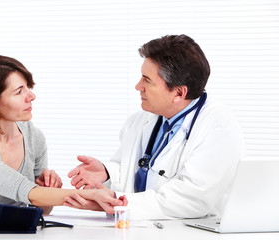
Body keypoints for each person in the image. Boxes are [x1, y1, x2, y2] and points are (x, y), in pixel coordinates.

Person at [66, 34, 244, 220]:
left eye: (146, 80)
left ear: (178, 93)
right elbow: (135, 169)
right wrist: (107, 172)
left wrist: (117, 202)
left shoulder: (219, 128)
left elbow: (191, 200)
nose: (137, 86)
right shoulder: (143, 119)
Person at [0, 55, 126, 214]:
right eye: (19, 91)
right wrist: (93, 195)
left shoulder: (33, 136)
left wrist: (49, 188)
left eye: (28, 87)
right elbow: (26, 191)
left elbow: (42, 209)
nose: (31, 96)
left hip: (14, 231)